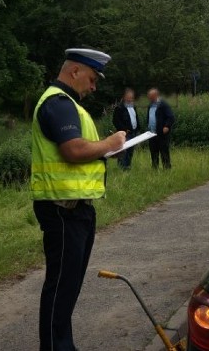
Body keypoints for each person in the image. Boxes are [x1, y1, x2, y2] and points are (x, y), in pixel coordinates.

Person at [31, 48, 126, 351]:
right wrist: (109, 143)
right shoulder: (58, 103)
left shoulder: (67, 103)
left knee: (67, 288)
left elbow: (82, 149)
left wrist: (105, 149)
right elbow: (72, 150)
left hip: (75, 208)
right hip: (63, 210)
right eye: (92, 78)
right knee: (60, 288)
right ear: (74, 71)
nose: (94, 86)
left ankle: (62, 345)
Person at [146, 87, 175, 169]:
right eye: (149, 97)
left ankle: (167, 169)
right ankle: (155, 169)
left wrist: (167, 126)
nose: (149, 98)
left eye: (150, 97)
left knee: (164, 152)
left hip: (161, 133)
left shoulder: (163, 104)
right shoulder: (150, 105)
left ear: (156, 95)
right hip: (151, 133)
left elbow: (171, 117)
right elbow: (149, 117)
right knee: (153, 153)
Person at [111, 87, 140, 170]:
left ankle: (128, 167)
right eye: (129, 97)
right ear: (124, 97)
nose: (131, 99)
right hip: (125, 134)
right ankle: (122, 169)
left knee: (130, 151)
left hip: (133, 133)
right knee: (123, 151)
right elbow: (115, 121)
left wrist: (138, 128)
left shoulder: (133, 106)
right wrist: (124, 130)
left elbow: (136, 118)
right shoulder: (119, 108)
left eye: (132, 97)